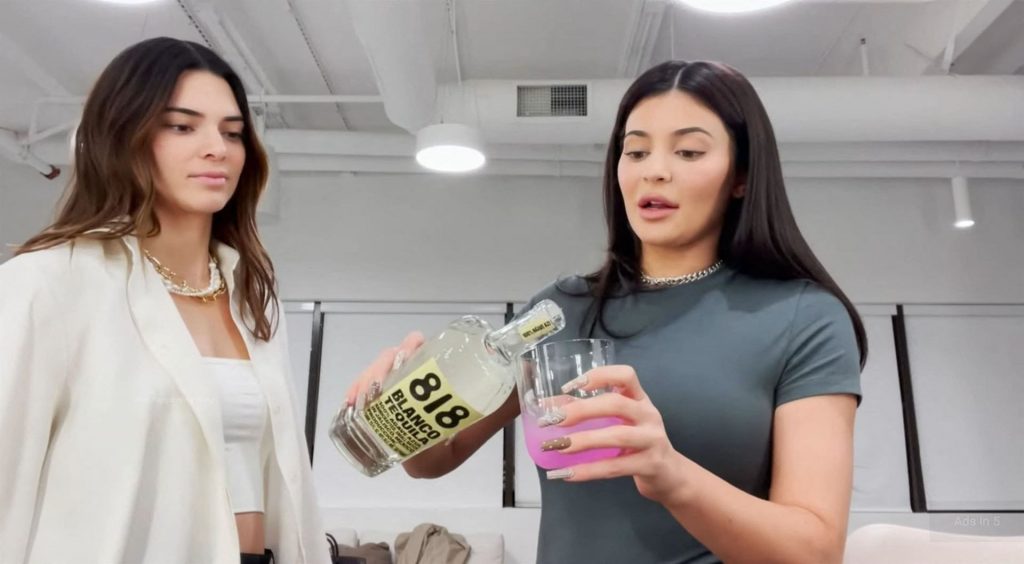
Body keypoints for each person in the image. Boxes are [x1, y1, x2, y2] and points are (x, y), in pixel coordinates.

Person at [348, 60, 866, 564]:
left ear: (742, 176)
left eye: (688, 151)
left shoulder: (803, 318)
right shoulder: (559, 310)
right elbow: (436, 459)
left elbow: (815, 551)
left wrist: (671, 475)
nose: (655, 171)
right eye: (635, 151)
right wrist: (398, 409)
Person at [0, 37, 328, 564]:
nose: (217, 148)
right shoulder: (50, 284)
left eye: (233, 132)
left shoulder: (253, 299)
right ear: (123, 135)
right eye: (181, 126)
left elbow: (278, 474)